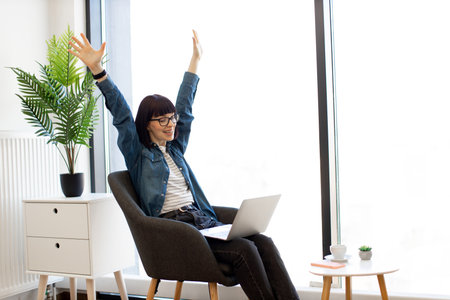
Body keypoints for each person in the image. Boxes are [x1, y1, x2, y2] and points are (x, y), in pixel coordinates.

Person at [69, 31, 299, 300]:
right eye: (162, 120)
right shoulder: (137, 153)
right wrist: (98, 70)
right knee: (244, 250)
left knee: (264, 243)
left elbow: (185, 107)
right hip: (176, 229)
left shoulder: (176, 150)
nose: (171, 125)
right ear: (146, 125)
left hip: (202, 221)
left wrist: (195, 61)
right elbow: (121, 113)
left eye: (172, 118)